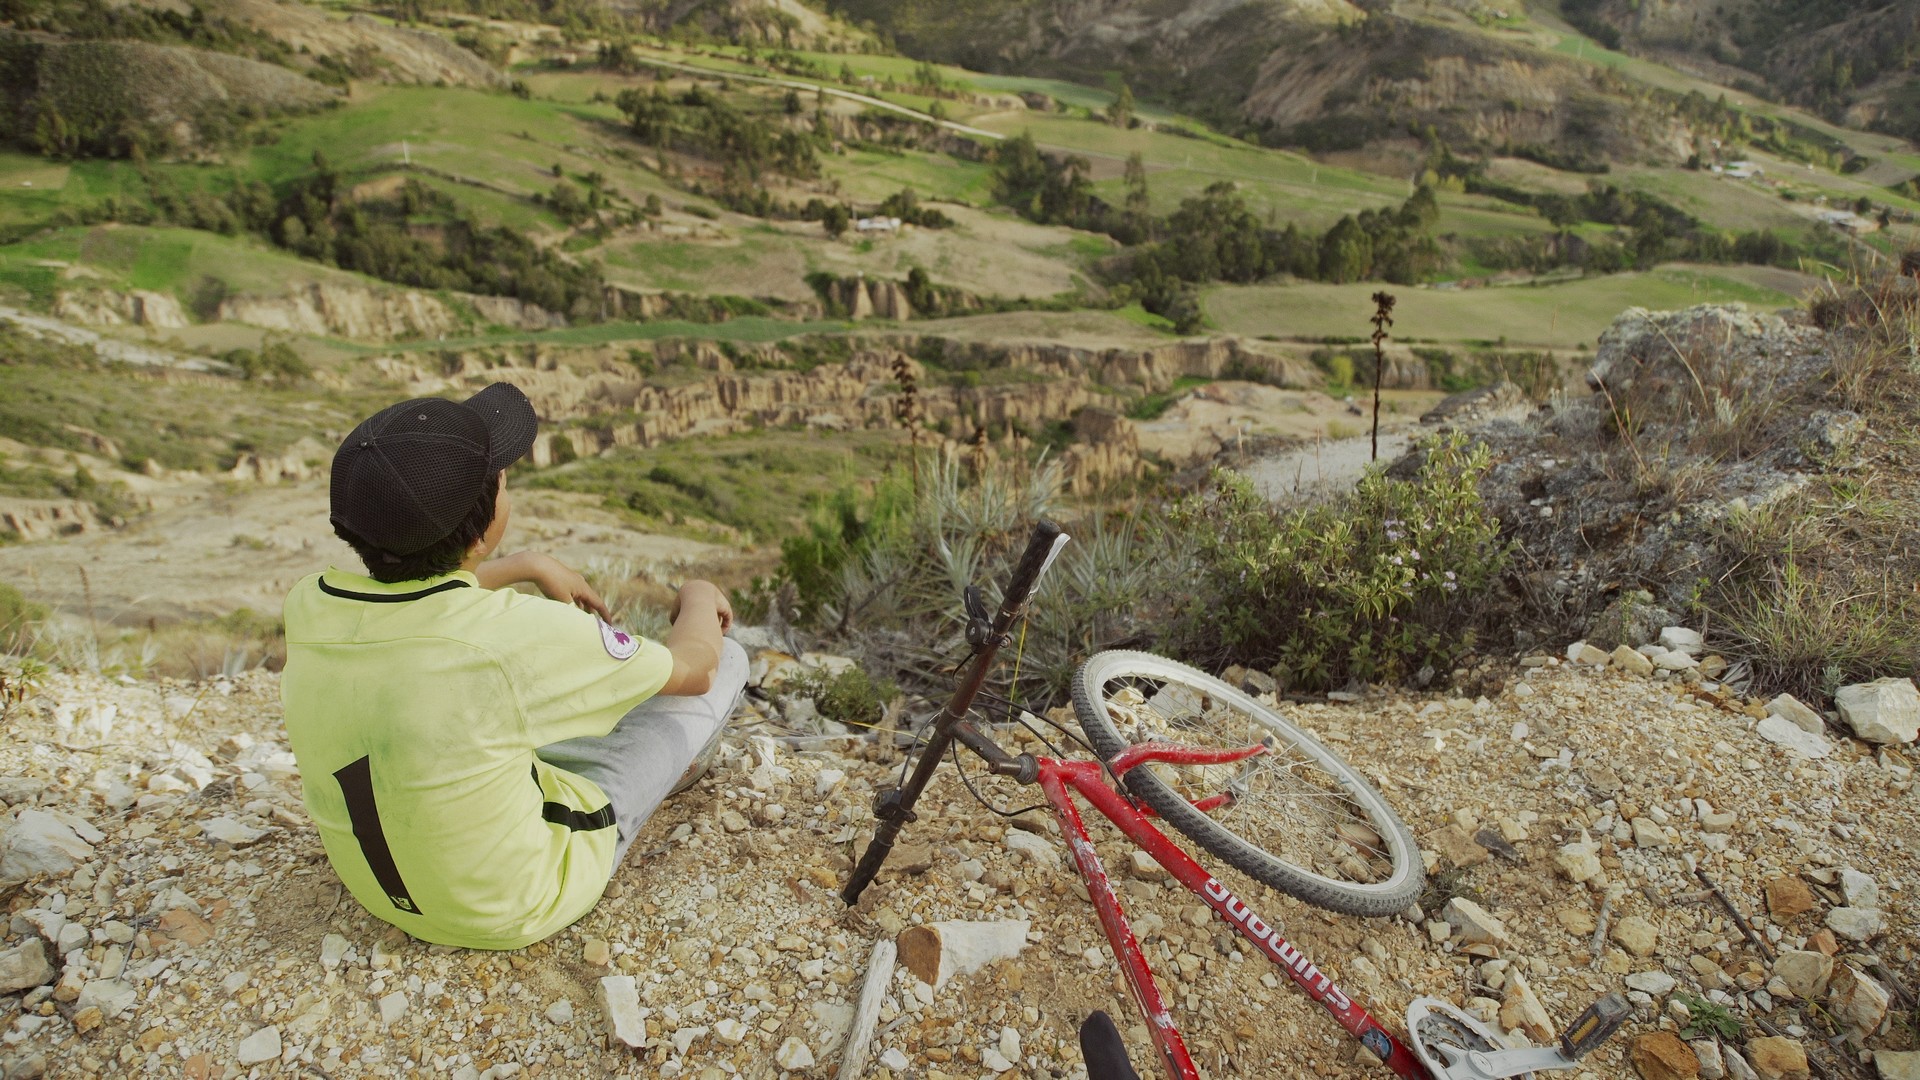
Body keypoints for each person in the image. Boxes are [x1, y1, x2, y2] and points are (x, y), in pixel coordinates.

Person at [280, 383, 747, 950]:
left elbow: (425, 600)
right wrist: (698, 595)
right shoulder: (515, 636)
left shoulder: (311, 601)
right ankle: (676, 772)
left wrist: (523, 563)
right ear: (483, 527)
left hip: (378, 889)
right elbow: (693, 669)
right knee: (728, 664)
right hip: (509, 905)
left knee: (469, 714)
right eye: (500, 479)